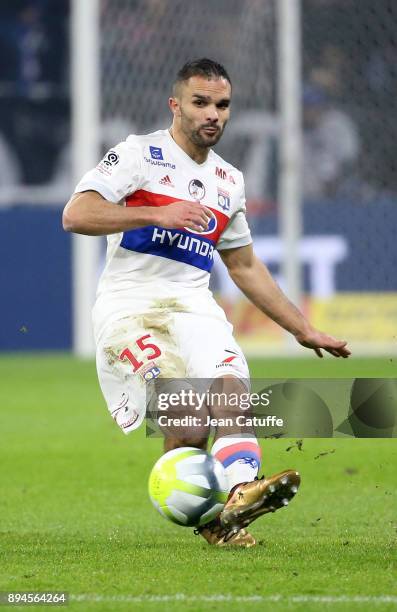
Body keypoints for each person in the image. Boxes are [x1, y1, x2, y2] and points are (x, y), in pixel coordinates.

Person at [63, 59, 351, 548]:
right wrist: (157, 213)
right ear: (176, 105)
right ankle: (214, 513)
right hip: (130, 310)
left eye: (222, 105)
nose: (212, 114)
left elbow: (243, 266)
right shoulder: (138, 155)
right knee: (190, 423)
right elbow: (77, 214)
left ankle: (237, 497)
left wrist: (302, 328)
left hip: (194, 307)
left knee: (230, 390)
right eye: (200, 103)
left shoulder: (229, 181)